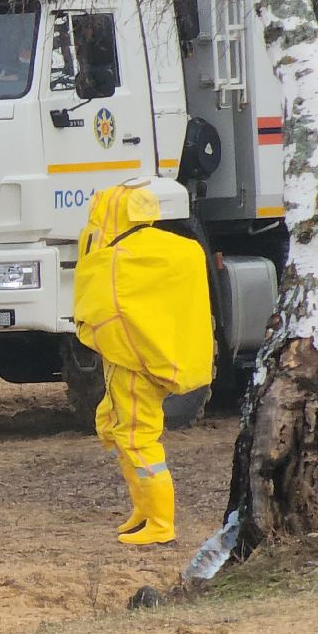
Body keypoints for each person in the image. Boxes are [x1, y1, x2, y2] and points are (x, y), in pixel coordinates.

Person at [71, 181, 213, 546]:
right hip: (153, 355)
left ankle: (161, 523)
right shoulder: (179, 248)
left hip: (132, 361)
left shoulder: (117, 258)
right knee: (119, 429)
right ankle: (144, 510)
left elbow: (96, 308)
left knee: (137, 439)